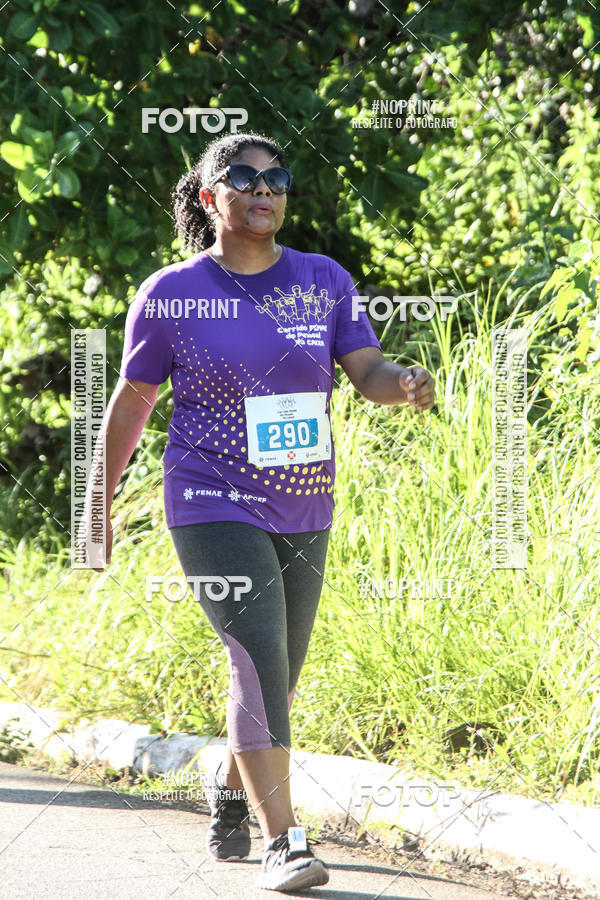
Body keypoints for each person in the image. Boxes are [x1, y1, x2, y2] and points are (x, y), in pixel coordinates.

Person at [92, 131, 435, 893]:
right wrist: (98, 498)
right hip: (211, 498)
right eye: (243, 178)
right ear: (210, 196)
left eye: (275, 177)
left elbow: (367, 370)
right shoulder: (172, 292)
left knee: (277, 679)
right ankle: (286, 842)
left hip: (305, 501)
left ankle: (227, 778)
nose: (263, 188)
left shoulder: (323, 280)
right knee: (254, 655)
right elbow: (135, 399)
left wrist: (404, 381)